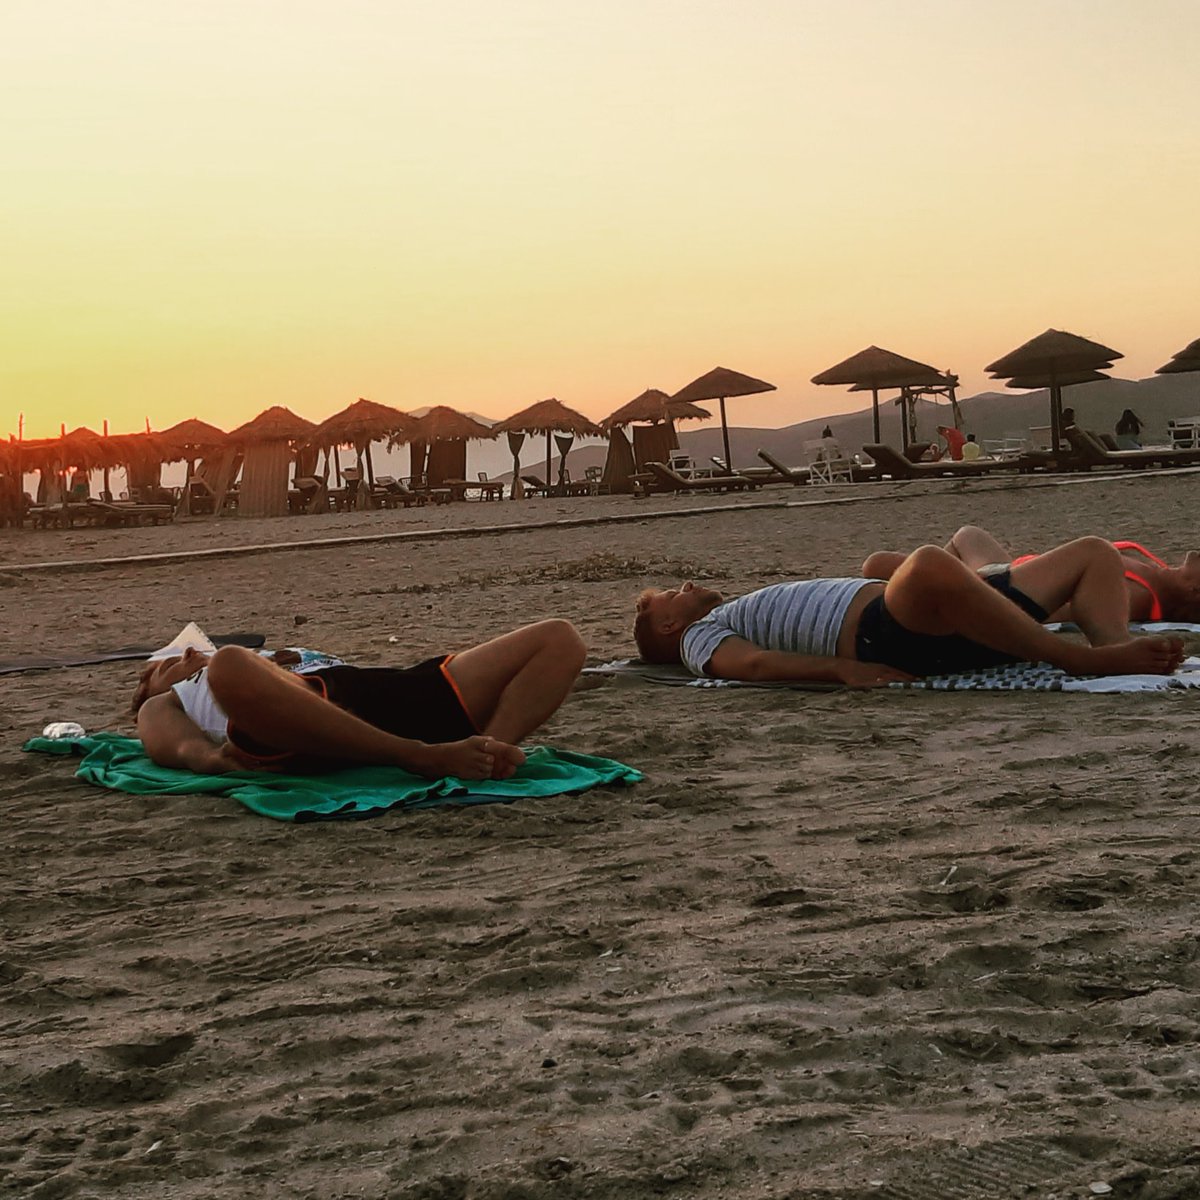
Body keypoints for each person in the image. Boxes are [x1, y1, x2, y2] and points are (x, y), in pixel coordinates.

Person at [634, 540, 1185, 685]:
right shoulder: (698, 638)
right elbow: (749, 666)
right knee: (924, 564)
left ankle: (1112, 649)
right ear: (668, 625)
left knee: (1094, 552)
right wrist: (841, 669)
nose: (684, 586)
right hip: (889, 635)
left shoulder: (717, 613)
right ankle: (1077, 661)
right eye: (671, 594)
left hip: (932, 616)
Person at [132, 620, 587, 780]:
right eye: (169, 665)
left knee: (560, 638)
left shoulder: (278, 658)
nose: (190, 653)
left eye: (191, 650)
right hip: (299, 724)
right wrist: (216, 762)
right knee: (229, 662)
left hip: (383, 689)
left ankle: (487, 753)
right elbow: (177, 745)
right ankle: (422, 758)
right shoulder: (175, 700)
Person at [862, 526, 1200, 624]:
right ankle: (925, 590)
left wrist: (971, 592)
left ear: (1195, 590)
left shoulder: (1138, 597)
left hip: (998, 585)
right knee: (969, 535)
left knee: (876, 565)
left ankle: (932, 595)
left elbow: (1049, 609)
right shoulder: (1156, 573)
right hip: (1009, 571)